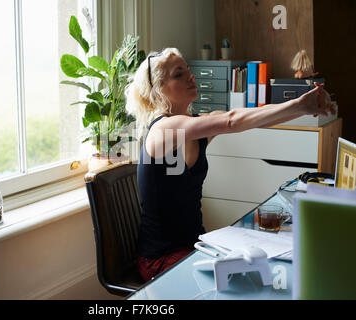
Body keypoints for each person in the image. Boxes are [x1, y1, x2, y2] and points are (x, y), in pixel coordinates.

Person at [125, 48, 336, 282]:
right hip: (161, 259)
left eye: (188, 71)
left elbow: (251, 115)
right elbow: (231, 121)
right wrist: (300, 105)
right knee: (245, 285)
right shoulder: (163, 130)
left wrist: (306, 106)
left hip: (196, 246)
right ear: (158, 91)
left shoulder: (196, 125)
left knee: (261, 272)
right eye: (179, 74)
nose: (191, 76)